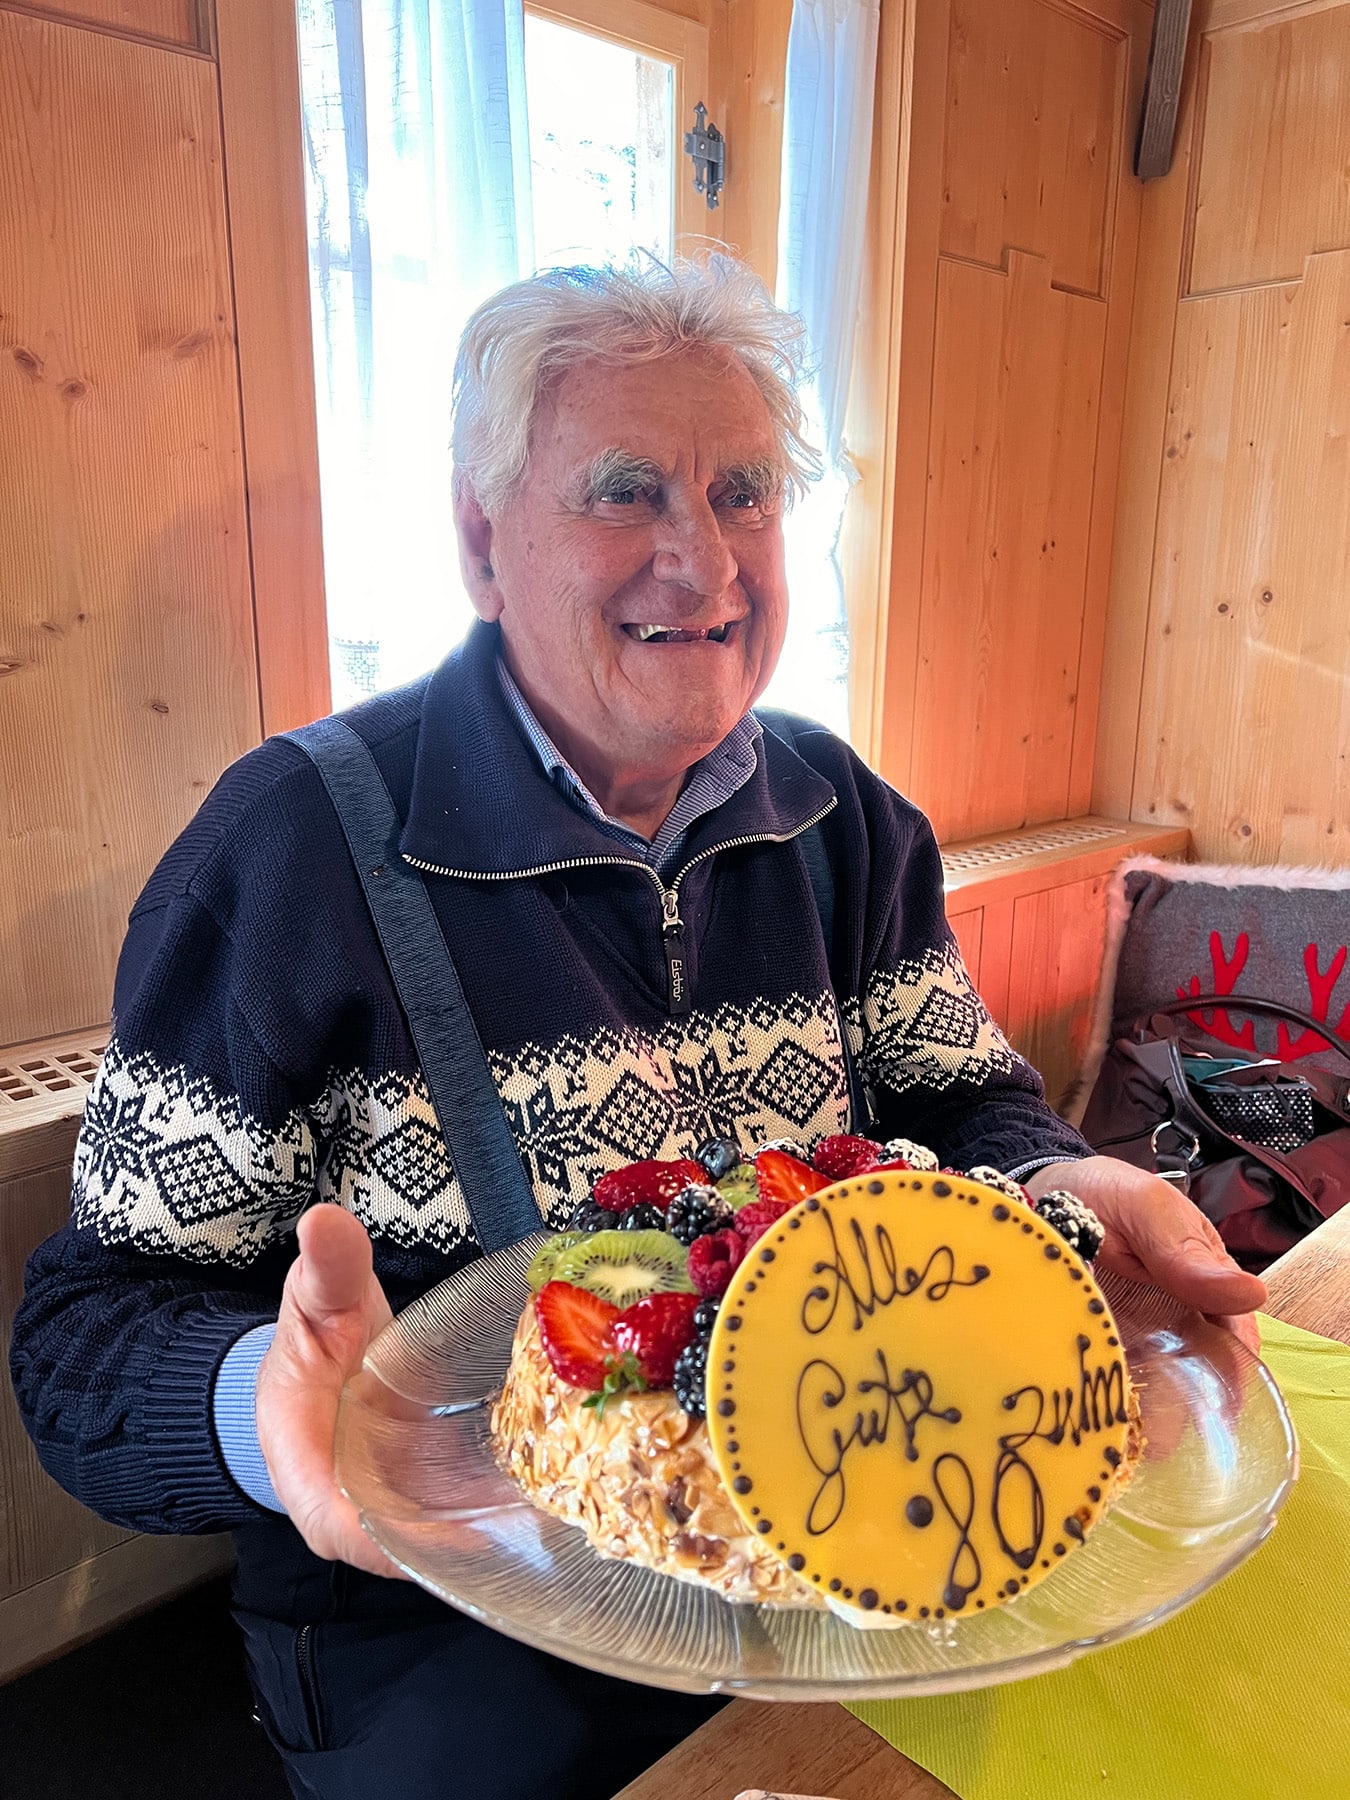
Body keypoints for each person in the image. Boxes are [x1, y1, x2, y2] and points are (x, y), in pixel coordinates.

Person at [11, 257, 1266, 1800]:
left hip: (852, 1547)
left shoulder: (845, 825)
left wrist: (1068, 1193)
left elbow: (967, 1113)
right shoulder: (289, 854)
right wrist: (274, 1410)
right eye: (625, 493)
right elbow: (84, 1340)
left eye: (742, 491)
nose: (704, 561)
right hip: (439, 1619)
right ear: (482, 543)